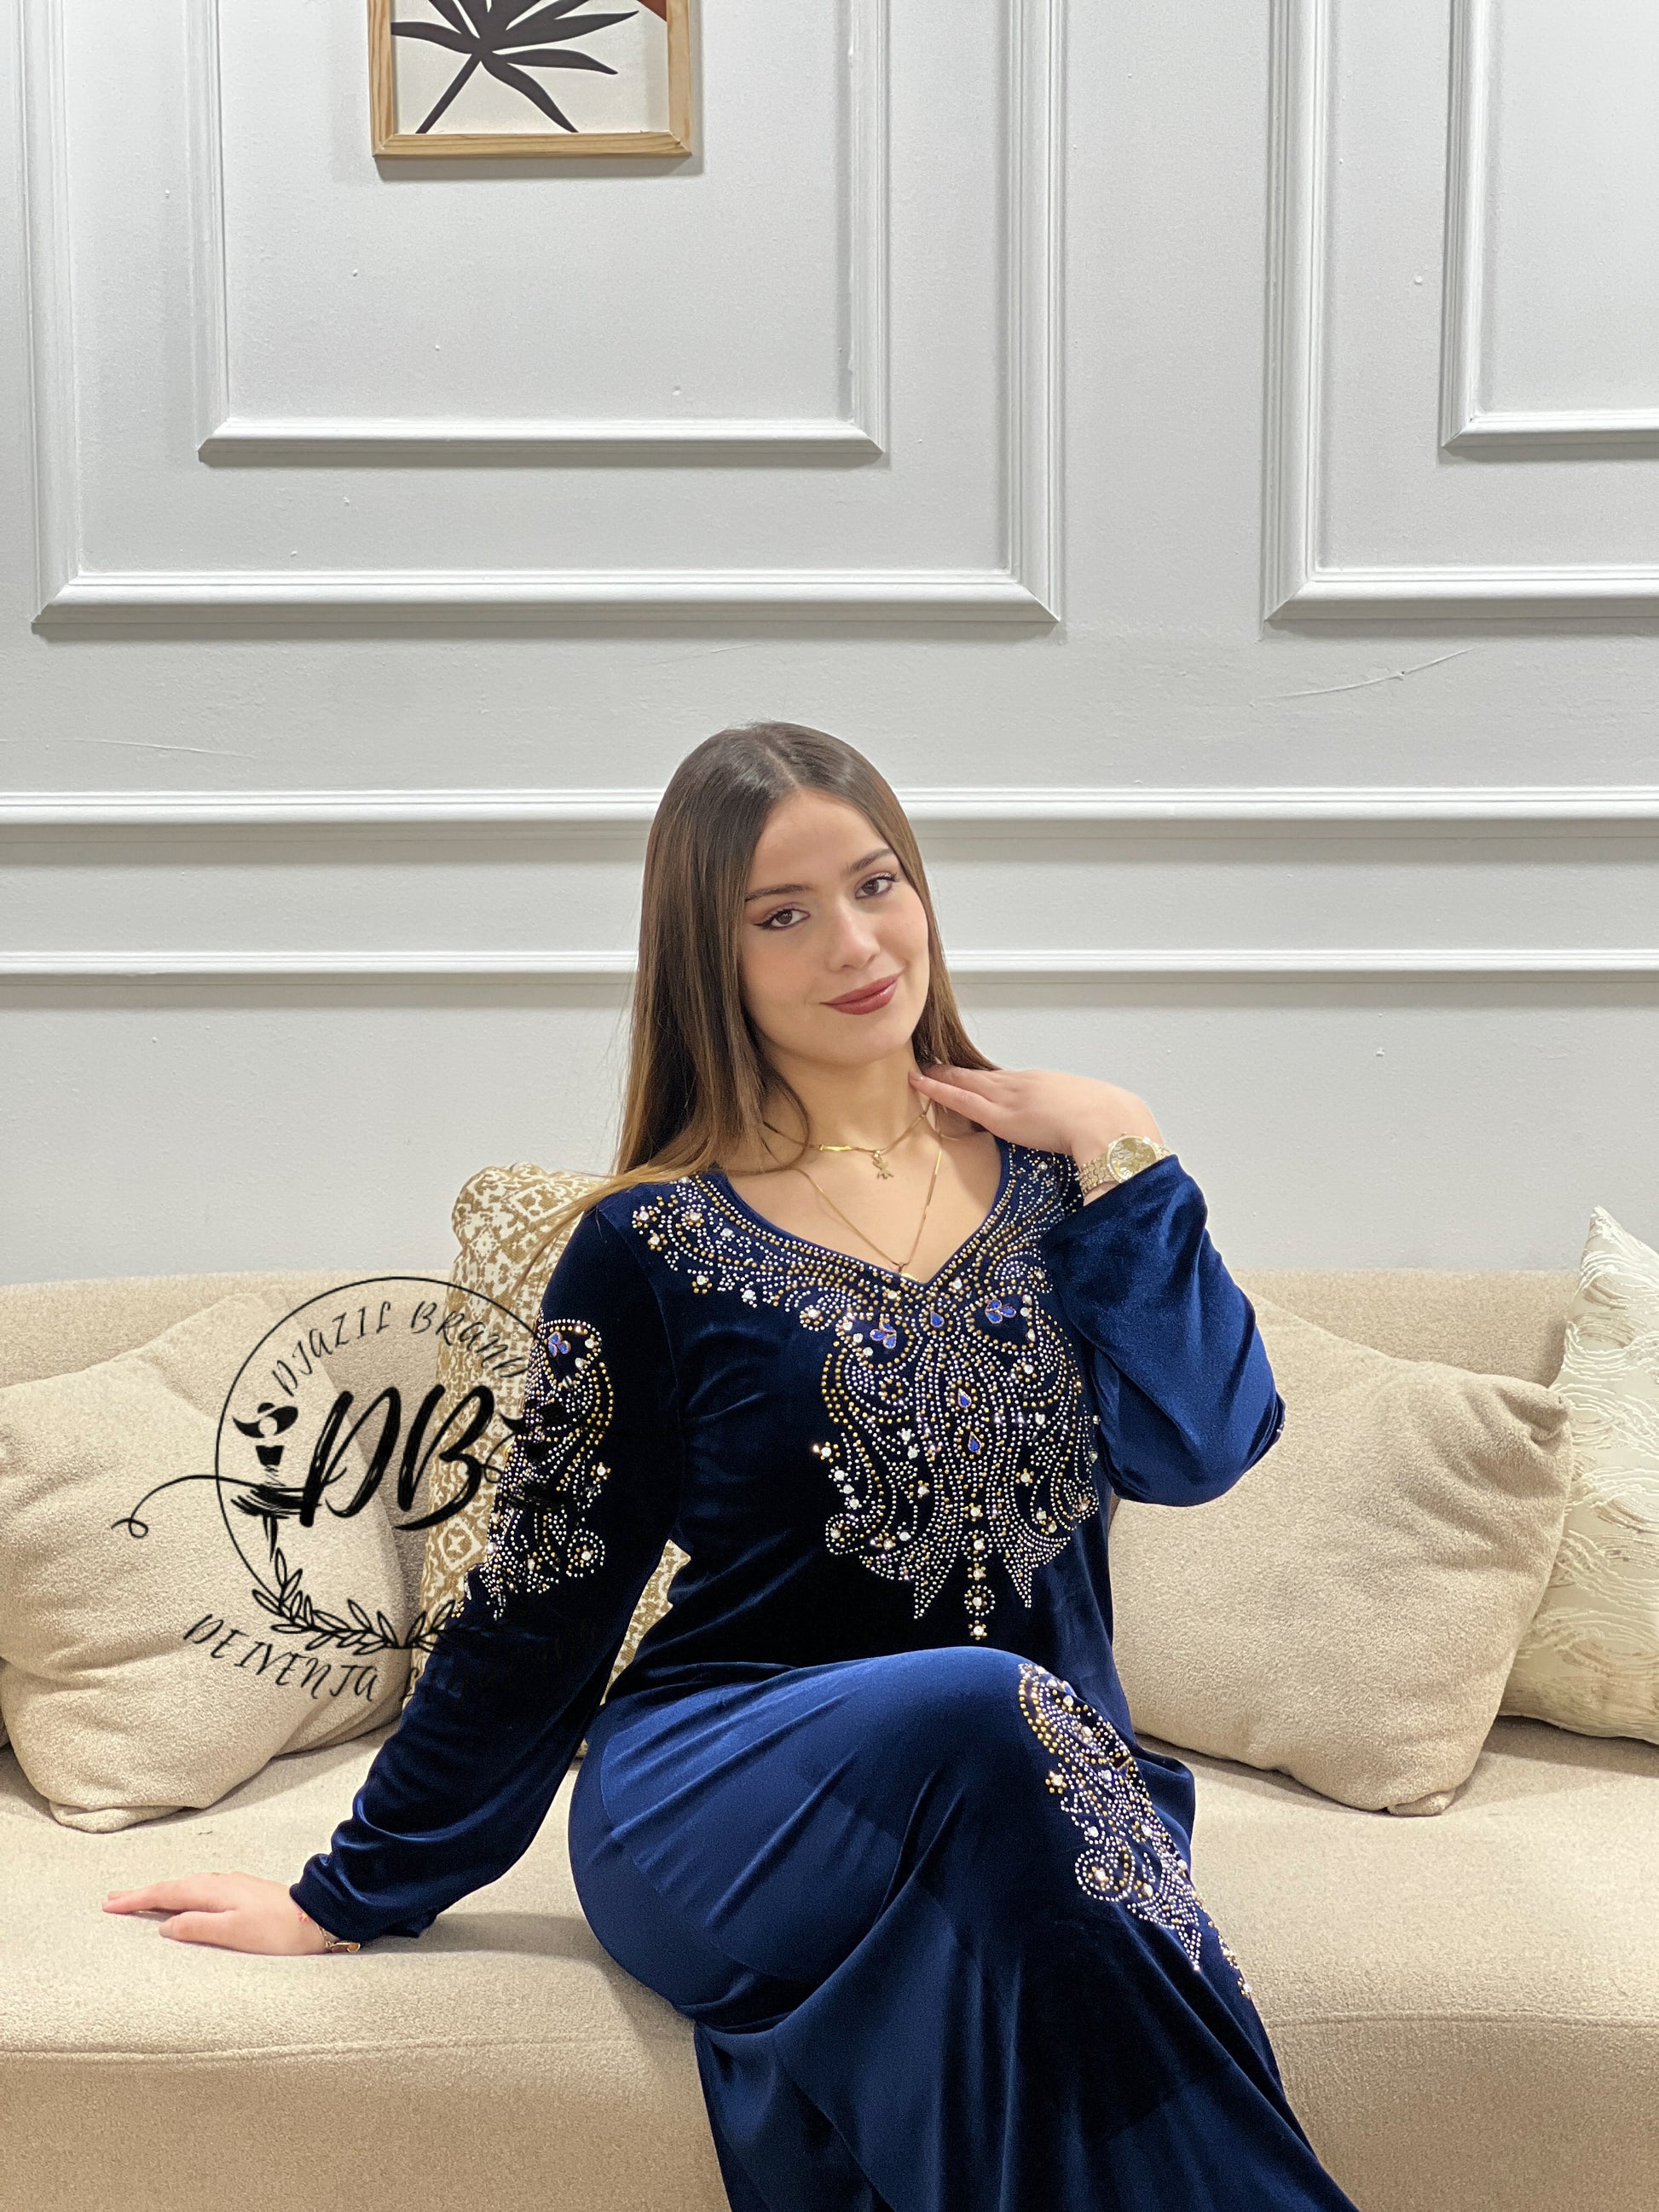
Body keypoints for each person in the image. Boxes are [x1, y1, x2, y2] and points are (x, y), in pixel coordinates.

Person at [103, 721, 1361, 2212]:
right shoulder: (648, 1244)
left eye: (876, 884)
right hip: (722, 1799)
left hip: (1037, 1797)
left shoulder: (1069, 1191)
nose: (854, 943)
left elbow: (1201, 1446)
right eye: (782, 915)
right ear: (712, 958)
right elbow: (545, 1593)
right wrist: (346, 1894)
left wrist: (1128, 1153)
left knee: (1047, 1876)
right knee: (984, 1703)